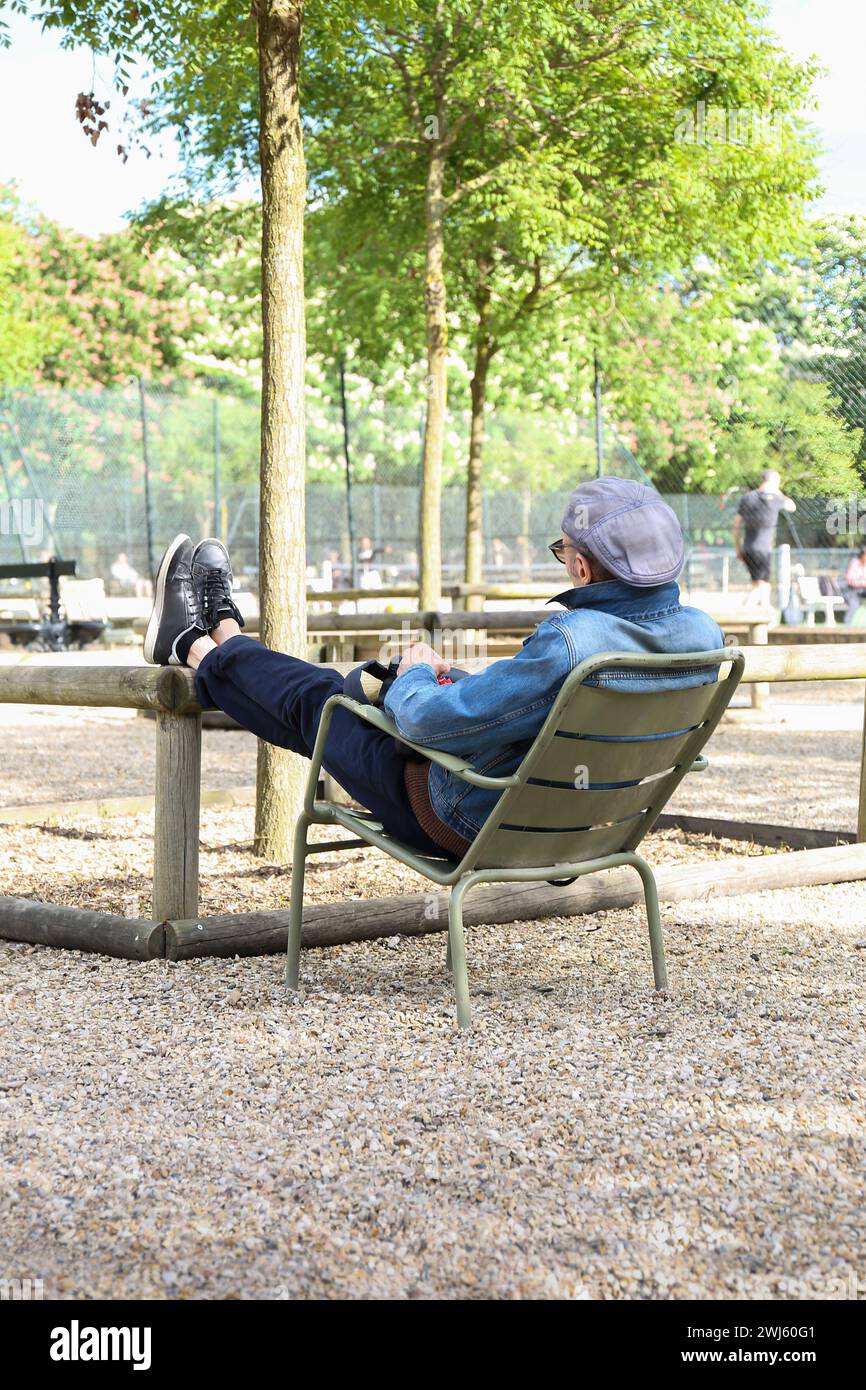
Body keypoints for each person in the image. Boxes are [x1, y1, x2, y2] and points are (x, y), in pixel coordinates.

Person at [142, 478, 724, 861]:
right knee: (345, 695)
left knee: (318, 701)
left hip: (471, 820)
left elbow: (426, 725)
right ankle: (219, 637)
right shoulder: (704, 636)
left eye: (562, 550)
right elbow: (547, 715)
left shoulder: (572, 642)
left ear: (580, 566)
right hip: (588, 830)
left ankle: (197, 643)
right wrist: (465, 684)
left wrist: (418, 673)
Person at [733, 469, 796, 604]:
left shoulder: (748, 497)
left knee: (760, 584)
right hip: (763, 549)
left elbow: (736, 524)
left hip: (748, 548)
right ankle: (746, 610)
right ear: (773, 482)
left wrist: (738, 548)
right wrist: (779, 492)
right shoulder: (775, 499)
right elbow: (792, 506)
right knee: (762, 586)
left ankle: (764, 620)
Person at [843, 545, 866, 624]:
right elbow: (850, 580)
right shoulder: (854, 563)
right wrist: (862, 582)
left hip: (863, 590)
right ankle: (847, 624)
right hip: (851, 590)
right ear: (862, 555)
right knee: (854, 603)